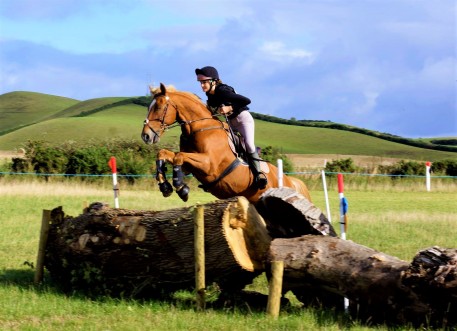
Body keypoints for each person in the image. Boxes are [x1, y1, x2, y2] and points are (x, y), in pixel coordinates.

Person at [195, 65, 267, 189]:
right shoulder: (210, 96)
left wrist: (230, 107)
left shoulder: (223, 90)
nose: (202, 85)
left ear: (214, 81)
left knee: (249, 144)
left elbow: (246, 100)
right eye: (200, 82)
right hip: (231, 124)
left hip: (243, 120)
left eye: (204, 82)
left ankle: (259, 174)